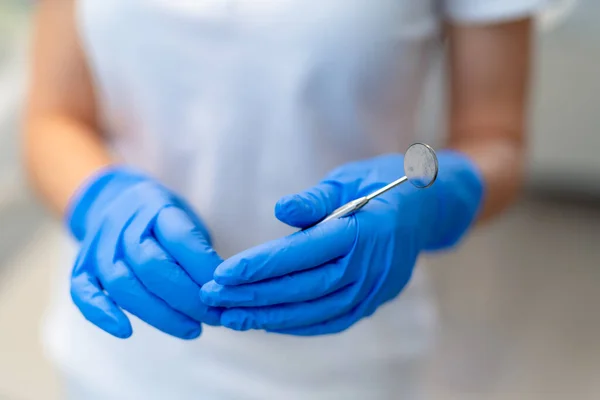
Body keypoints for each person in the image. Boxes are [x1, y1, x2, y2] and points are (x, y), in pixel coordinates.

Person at [24, 1, 544, 399]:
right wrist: (102, 199)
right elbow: (54, 115)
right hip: (119, 358)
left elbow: (495, 136)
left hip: (344, 367)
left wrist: (433, 197)